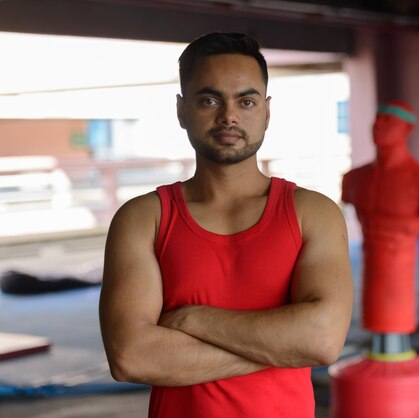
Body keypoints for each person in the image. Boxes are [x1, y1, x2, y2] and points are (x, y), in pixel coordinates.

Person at [99, 32, 354, 418]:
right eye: (209, 99)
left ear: (266, 112)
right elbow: (131, 357)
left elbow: (322, 339)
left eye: (246, 101)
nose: (229, 116)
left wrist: (191, 319)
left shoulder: (312, 213)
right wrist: (281, 346)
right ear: (182, 111)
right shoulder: (143, 219)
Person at [342, 101, 419, 344]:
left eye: (389, 121)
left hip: (400, 281)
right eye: (377, 119)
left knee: (394, 311)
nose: (378, 126)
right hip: (370, 270)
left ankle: (394, 347)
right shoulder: (354, 179)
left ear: (407, 130)